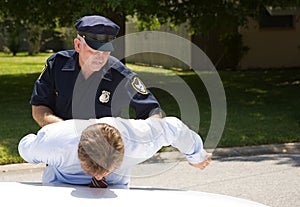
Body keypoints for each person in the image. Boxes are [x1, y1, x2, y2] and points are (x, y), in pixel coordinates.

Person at [30, 15, 162, 127]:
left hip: (103, 148)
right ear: (77, 45)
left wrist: (139, 134)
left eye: (106, 51)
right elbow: (39, 107)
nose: (101, 57)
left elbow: (153, 111)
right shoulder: (57, 65)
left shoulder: (120, 74)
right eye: (94, 51)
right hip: (60, 142)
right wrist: (66, 132)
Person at [18, 117, 211, 187]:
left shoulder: (139, 140)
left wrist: (196, 156)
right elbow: (25, 146)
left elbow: (175, 128)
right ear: (78, 150)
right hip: (59, 191)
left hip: (115, 195)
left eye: (107, 169)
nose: (100, 175)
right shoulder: (55, 143)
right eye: (91, 168)